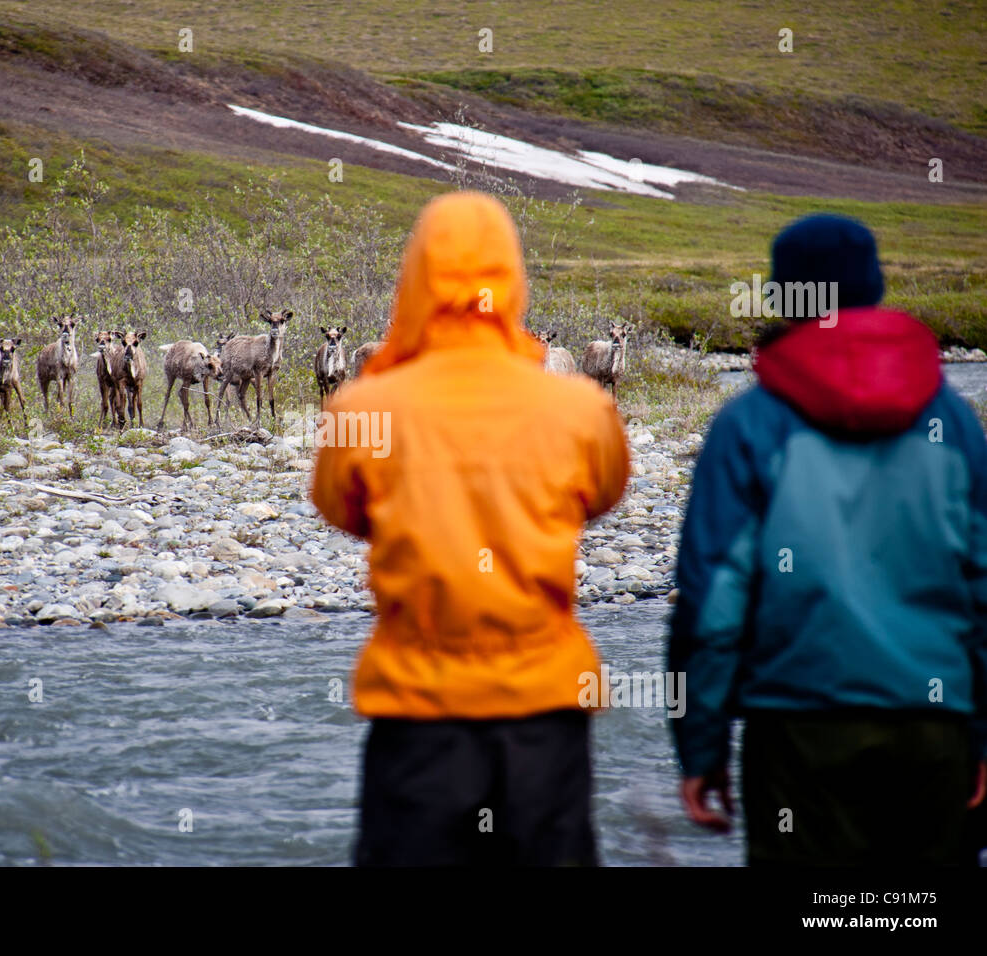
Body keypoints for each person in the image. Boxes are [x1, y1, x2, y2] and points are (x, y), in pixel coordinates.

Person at [311, 191, 629, 866]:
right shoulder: (578, 407)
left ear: (416, 278)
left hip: (418, 714)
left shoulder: (366, 406)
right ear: (511, 279)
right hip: (545, 710)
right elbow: (600, 496)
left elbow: (340, 508)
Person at [668, 213, 987, 865]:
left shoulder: (750, 424)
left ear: (786, 295)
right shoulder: (952, 422)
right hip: (934, 729)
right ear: (873, 287)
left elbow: (712, 604)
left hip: (798, 731)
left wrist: (701, 746)